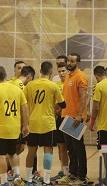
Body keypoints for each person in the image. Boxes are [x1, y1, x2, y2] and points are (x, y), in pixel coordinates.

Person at [0, 66, 29, 186]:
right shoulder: (17, 90)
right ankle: (17, 174)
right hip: (14, 128)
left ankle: (4, 181)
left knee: (1, 155)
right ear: (6, 74)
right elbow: (25, 108)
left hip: (0, 129)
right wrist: (25, 125)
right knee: (13, 153)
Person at [23, 61, 66, 186]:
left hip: (33, 122)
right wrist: (55, 105)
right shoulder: (53, 86)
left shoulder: (30, 85)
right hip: (48, 123)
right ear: (51, 73)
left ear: (40, 71)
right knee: (48, 150)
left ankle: (28, 179)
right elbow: (63, 104)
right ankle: (46, 181)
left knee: (31, 151)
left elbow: (24, 103)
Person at [58, 53, 89, 185]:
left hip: (75, 118)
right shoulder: (68, 76)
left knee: (78, 148)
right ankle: (73, 174)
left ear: (78, 63)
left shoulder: (81, 76)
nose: (69, 63)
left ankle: (82, 177)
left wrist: (79, 115)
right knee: (70, 147)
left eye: (72, 61)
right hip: (66, 116)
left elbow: (83, 97)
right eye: (68, 60)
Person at [51, 62, 69, 181]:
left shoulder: (72, 83)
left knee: (73, 147)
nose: (61, 73)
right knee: (61, 146)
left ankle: (76, 170)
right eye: (59, 71)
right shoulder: (55, 85)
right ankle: (65, 171)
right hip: (59, 119)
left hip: (71, 119)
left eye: (63, 71)